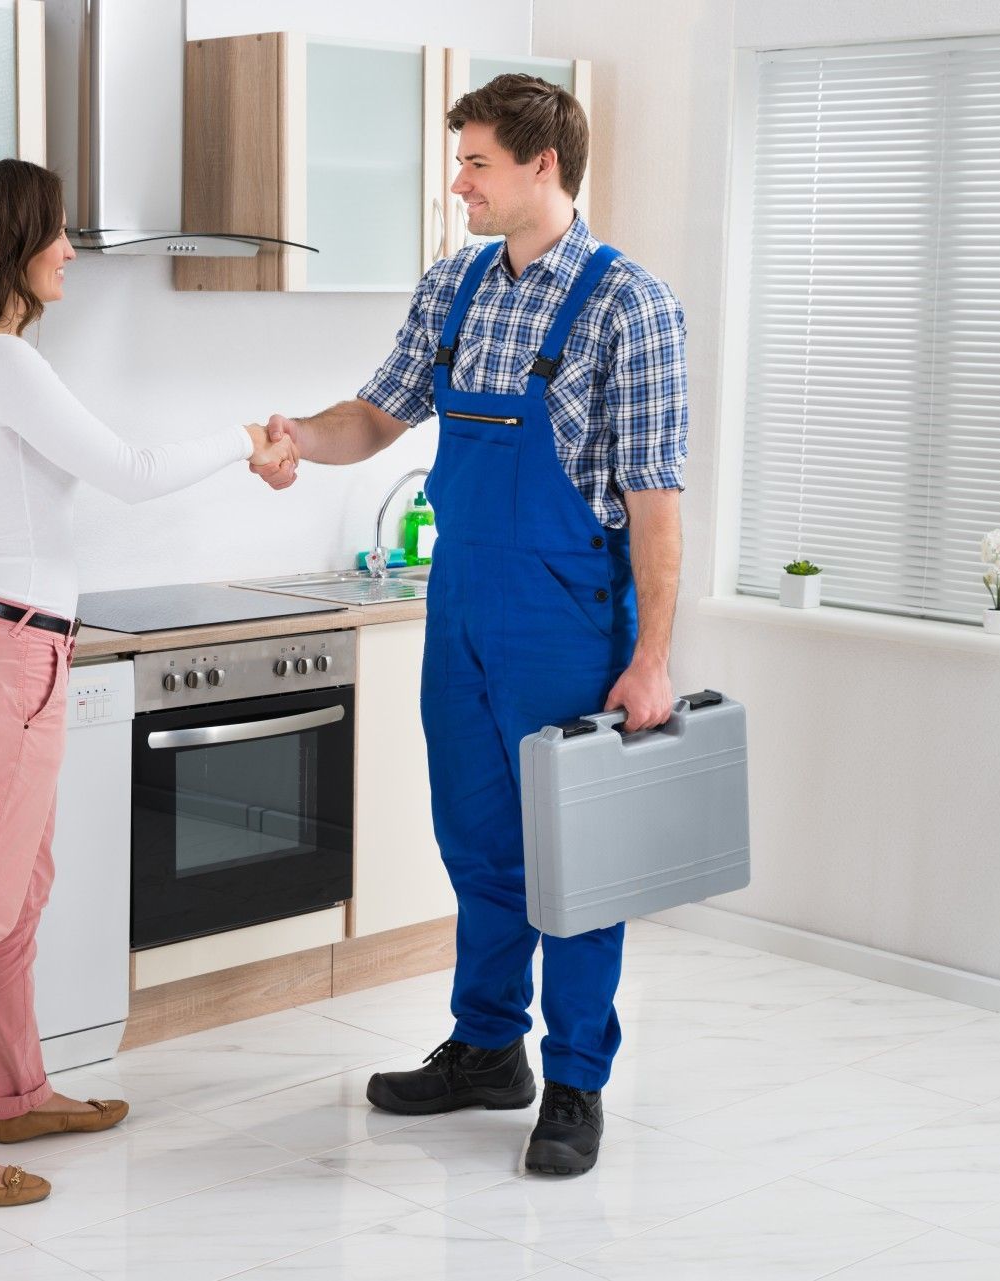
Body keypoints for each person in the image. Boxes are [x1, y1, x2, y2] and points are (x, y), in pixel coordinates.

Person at [250, 74, 689, 1176]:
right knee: (480, 844)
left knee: (575, 860)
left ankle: (577, 1080)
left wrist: (650, 660)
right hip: (463, 610)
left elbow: (658, 504)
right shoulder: (453, 287)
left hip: (568, 618)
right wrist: (300, 438)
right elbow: (379, 413)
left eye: (478, 162)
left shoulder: (632, 306)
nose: (459, 184)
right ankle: (490, 1048)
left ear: (545, 166)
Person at [0, 157, 297, 1208]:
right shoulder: (3, 362)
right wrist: (248, 439)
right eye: (58, 233)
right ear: (11, 245)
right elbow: (133, 470)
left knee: (15, 895)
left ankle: (19, 1093)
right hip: (6, 654)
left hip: (1, 642)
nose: (71, 250)